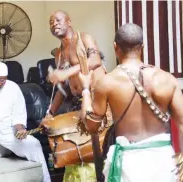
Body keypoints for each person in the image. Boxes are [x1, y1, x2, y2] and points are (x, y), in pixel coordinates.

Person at [78, 23, 183, 182]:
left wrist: (86, 89)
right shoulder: (166, 79)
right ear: (142, 46)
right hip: (164, 162)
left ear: (115, 47)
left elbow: (92, 126)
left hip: (128, 165)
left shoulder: (107, 83)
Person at [45, 10, 108, 181]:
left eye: (58, 20)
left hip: (96, 100)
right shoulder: (59, 53)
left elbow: (95, 61)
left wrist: (66, 73)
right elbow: (62, 88)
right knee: (76, 151)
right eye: (51, 22)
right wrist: (50, 113)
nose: (54, 24)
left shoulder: (84, 38)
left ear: (69, 21)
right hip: (77, 102)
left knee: (97, 150)